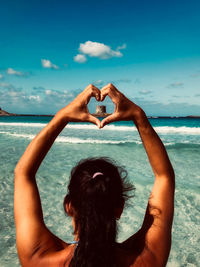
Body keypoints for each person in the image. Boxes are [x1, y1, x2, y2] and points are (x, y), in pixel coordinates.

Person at [14, 83, 175, 267]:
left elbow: (23, 174)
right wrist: (139, 116)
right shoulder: (146, 261)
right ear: (120, 208)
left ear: (68, 206)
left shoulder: (39, 259)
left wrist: (63, 116)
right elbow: (164, 177)